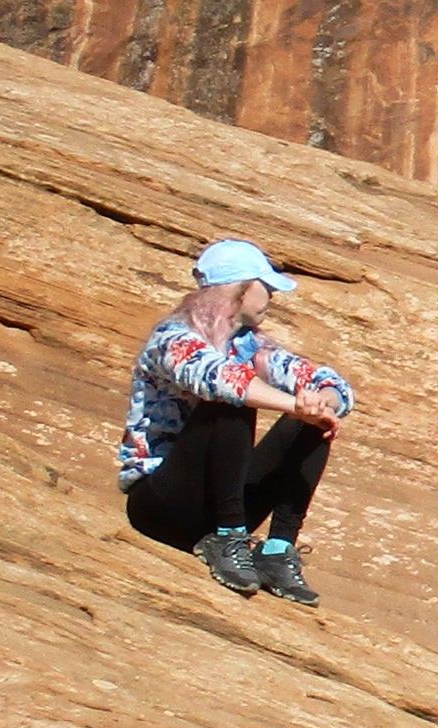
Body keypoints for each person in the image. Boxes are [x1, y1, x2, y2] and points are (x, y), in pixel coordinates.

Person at [119, 238, 354, 603]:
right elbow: (220, 380)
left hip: (218, 500)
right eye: (265, 287)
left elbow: (331, 383)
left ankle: (276, 549)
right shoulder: (172, 338)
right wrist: (295, 404)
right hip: (160, 504)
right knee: (231, 402)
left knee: (313, 423)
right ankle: (228, 536)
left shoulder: (249, 345)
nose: (272, 297)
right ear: (240, 288)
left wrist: (322, 402)